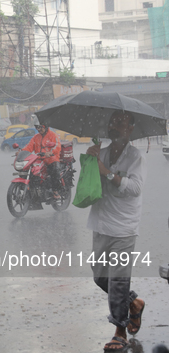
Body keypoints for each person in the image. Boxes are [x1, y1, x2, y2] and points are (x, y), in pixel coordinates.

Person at [86, 110, 146, 352]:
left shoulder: (136, 157)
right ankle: (135, 303)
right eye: (113, 122)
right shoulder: (102, 152)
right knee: (100, 276)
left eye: (121, 123)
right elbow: (91, 183)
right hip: (101, 223)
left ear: (130, 128)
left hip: (124, 227)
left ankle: (119, 330)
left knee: (118, 281)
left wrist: (107, 172)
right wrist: (91, 161)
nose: (115, 126)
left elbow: (135, 188)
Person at [18, 122, 62, 199]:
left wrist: (50, 152)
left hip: (51, 158)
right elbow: (29, 147)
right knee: (30, 170)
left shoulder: (52, 135)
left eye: (41, 127)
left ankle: (55, 191)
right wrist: (21, 151)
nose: (39, 129)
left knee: (54, 169)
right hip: (38, 158)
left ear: (46, 127)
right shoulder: (36, 137)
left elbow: (57, 146)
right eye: (37, 127)